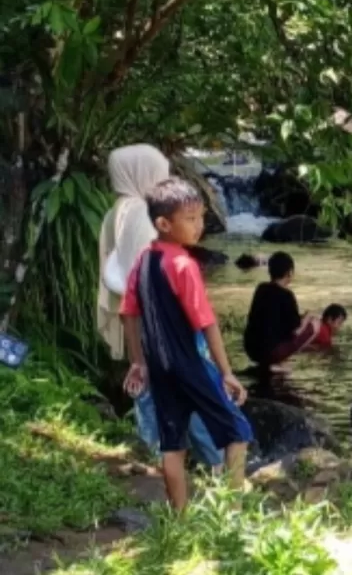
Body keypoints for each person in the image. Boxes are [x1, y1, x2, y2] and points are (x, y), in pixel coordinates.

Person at [119, 178, 253, 512]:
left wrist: (138, 362)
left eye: (201, 217)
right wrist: (226, 372)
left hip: (160, 368)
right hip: (190, 364)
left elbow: (128, 315)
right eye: (190, 219)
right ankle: (233, 514)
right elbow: (206, 322)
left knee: (172, 444)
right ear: (163, 224)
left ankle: (179, 518)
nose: (199, 226)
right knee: (238, 431)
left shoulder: (143, 261)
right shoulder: (183, 264)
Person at [96, 144, 224, 470]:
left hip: (141, 324)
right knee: (197, 394)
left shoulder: (117, 210)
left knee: (153, 395)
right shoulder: (141, 213)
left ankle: (157, 460)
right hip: (169, 325)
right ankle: (219, 469)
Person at [242, 251, 320, 372]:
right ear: (289, 273)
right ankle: (277, 362)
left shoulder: (261, 288)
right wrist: (308, 317)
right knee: (315, 324)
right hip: (270, 352)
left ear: (270, 271)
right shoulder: (287, 295)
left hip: (250, 349)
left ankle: (272, 362)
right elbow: (296, 330)